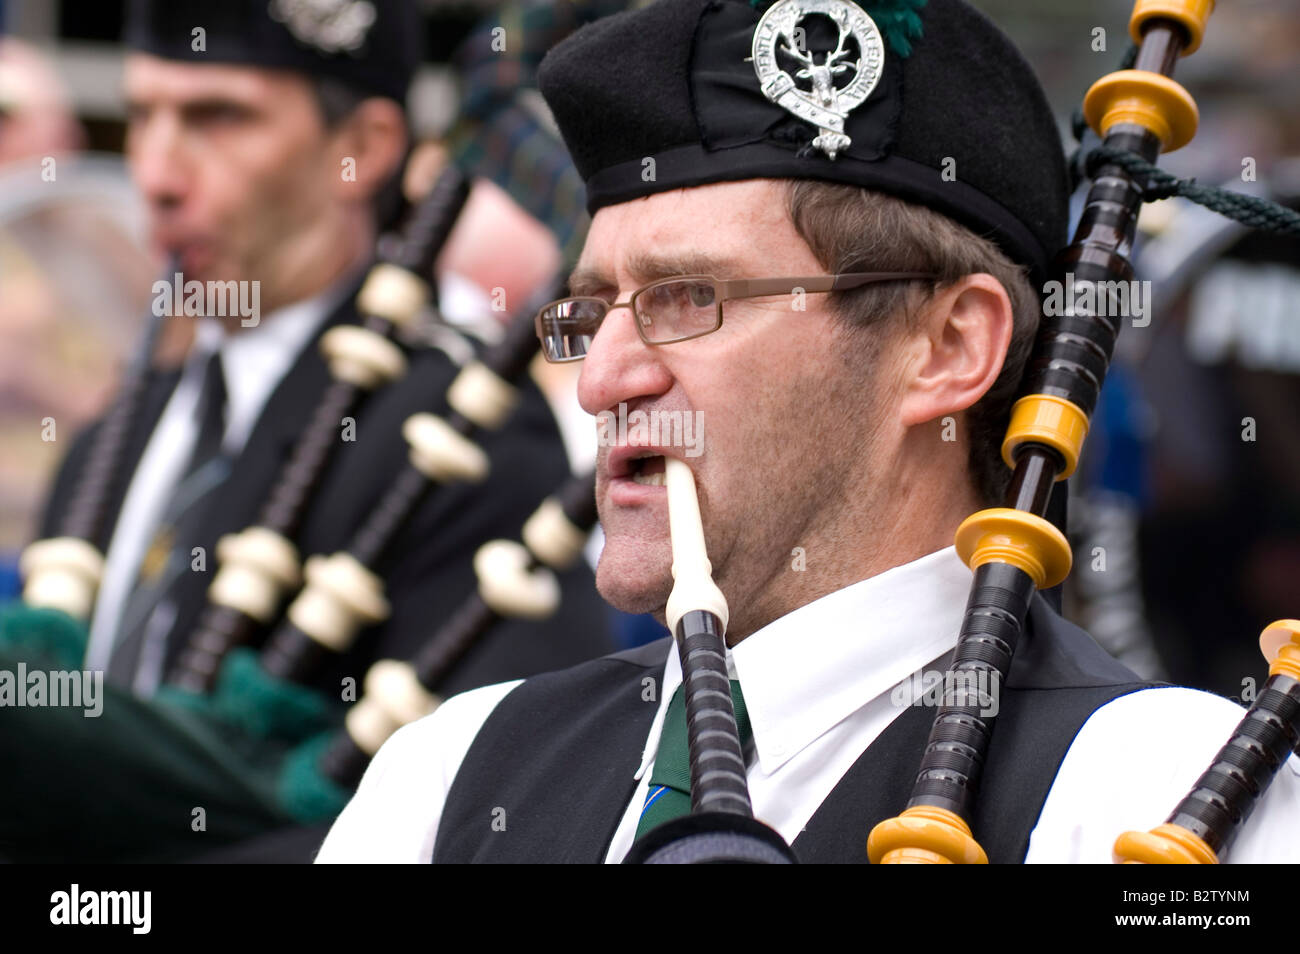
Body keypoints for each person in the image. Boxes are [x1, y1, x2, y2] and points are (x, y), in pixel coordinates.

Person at [316, 0, 1300, 863]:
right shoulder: (448, 776)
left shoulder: (1149, 794)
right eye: (591, 310)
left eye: (686, 296)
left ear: (948, 346)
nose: (603, 380)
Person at [36, 0, 612, 704]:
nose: (156, 178)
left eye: (218, 117)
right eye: (142, 116)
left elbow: (495, 784)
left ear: (363, 149)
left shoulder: (460, 438)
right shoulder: (121, 430)